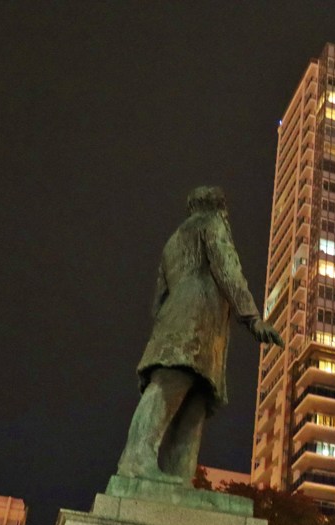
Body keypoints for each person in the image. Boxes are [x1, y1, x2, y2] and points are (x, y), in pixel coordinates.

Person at [115, 186, 282, 484]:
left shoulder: (173, 242)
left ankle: (179, 475)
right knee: (171, 383)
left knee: (195, 399)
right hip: (198, 319)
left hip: (177, 319)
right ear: (219, 207)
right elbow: (228, 271)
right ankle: (136, 459)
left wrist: (166, 323)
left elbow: (157, 301)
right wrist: (252, 318)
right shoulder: (212, 224)